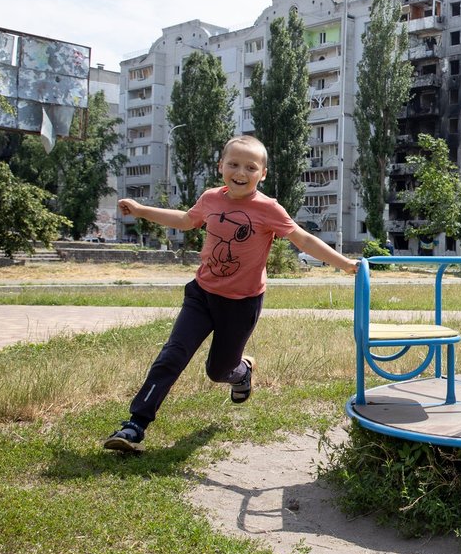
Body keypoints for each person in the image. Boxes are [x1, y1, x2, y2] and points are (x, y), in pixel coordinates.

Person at [103, 135, 360, 453]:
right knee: (172, 355)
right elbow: (185, 221)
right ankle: (134, 425)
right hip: (202, 295)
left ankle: (242, 371)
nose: (241, 172)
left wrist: (345, 264)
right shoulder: (211, 199)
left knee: (218, 370)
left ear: (262, 174)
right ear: (221, 167)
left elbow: (304, 240)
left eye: (250, 167)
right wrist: (142, 211)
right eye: (234, 164)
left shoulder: (269, 209)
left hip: (242, 304)